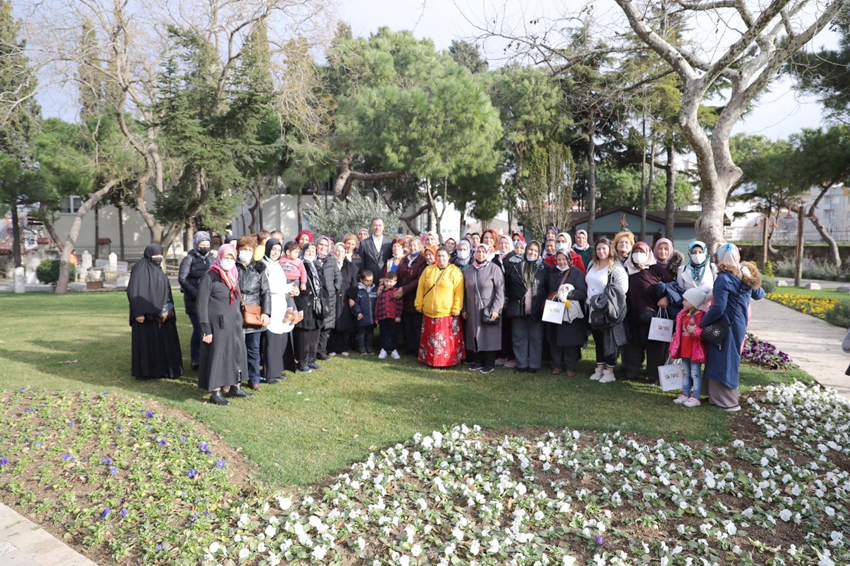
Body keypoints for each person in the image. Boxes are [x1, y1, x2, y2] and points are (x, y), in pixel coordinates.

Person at [701, 244, 764, 412]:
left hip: (725, 323)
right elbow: (760, 294)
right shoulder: (744, 274)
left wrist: (703, 321)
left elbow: (718, 307)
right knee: (730, 357)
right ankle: (716, 396)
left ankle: (727, 401)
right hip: (740, 323)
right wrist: (750, 276)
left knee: (722, 358)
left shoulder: (723, 278)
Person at [196, 243, 252, 405]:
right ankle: (215, 391)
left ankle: (235, 386)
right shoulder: (210, 276)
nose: (229, 260)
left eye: (231, 258)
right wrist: (205, 329)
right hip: (217, 324)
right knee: (218, 357)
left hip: (233, 324)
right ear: (220, 257)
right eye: (226, 257)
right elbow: (201, 304)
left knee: (236, 354)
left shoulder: (233, 274)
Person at [127, 244, 183, 380]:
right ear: (148, 255)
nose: (158, 258)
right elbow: (135, 291)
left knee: (165, 342)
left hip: (161, 314)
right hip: (145, 316)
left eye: (160, 255)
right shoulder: (140, 269)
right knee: (148, 344)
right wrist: (138, 313)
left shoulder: (157, 269)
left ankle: (166, 370)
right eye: (155, 255)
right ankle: (148, 373)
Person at [622, 241, 672, 383]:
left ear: (648, 253)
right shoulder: (627, 268)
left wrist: (665, 298)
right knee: (633, 345)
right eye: (636, 251)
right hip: (632, 314)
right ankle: (632, 372)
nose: (638, 255)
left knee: (655, 347)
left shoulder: (656, 269)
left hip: (653, 315)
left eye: (642, 251)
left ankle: (653, 376)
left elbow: (671, 286)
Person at [585, 237, 629, 383]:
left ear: (610, 249)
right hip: (593, 310)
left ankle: (609, 371)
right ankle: (599, 368)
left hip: (608, 310)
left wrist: (604, 302)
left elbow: (622, 290)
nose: (601, 251)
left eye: (604, 248)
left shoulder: (616, 268)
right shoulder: (592, 264)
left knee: (609, 341)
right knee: (598, 340)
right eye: (598, 248)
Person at [504, 240, 549, 373]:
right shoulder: (515, 267)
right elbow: (507, 285)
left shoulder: (543, 268)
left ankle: (534, 365)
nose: (532, 253)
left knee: (536, 337)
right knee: (519, 336)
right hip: (517, 308)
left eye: (536, 251)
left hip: (536, 308)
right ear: (526, 250)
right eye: (530, 250)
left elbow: (547, 287)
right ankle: (521, 364)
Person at [415, 247, 465, 368]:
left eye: (443, 256)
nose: (441, 258)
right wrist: (419, 303)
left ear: (448, 257)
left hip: (446, 312)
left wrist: (456, 308)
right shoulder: (428, 270)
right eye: (439, 256)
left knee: (445, 340)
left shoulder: (455, 271)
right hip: (429, 311)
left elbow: (459, 291)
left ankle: (448, 361)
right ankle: (428, 360)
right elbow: (421, 287)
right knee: (430, 338)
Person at [235, 236, 271, 391]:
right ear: (238, 250)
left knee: (254, 349)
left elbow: (266, 292)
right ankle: (235, 379)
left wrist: (267, 312)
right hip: (236, 313)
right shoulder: (232, 267)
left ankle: (254, 378)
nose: (247, 252)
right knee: (236, 349)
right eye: (244, 249)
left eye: (250, 250)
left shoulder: (259, 268)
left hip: (254, 312)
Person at [463, 244, 505, 374]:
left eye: (483, 251)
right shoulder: (469, 270)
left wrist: (496, 308)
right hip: (472, 308)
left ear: (487, 253)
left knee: (488, 336)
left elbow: (500, 290)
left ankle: (489, 363)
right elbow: (463, 291)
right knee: (474, 335)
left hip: (488, 309)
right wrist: (464, 308)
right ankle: (478, 361)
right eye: (478, 251)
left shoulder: (494, 269)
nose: (480, 254)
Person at [261, 238, 298, 384]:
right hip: (271, 305)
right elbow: (269, 287)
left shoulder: (277, 265)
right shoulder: (263, 265)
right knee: (272, 341)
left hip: (281, 305)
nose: (275, 252)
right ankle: (268, 373)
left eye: (278, 250)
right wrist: (288, 288)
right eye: (273, 249)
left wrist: (291, 288)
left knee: (281, 339)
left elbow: (282, 284)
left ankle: (278, 370)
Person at [545, 250, 587, 376]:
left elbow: (582, 291)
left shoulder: (576, 273)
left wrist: (566, 295)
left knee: (570, 341)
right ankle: (557, 365)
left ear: (569, 259)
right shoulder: (551, 272)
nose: (561, 262)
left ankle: (570, 366)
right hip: (553, 309)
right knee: (554, 339)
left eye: (564, 259)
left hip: (570, 312)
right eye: (559, 259)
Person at [179, 231, 213, 370]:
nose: (205, 247)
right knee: (198, 329)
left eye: (207, 244)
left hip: (210, 301)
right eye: (202, 244)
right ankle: (195, 358)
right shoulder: (189, 259)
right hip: (194, 301)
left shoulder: (211, 259)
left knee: (208, 329)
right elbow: (183, 279)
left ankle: (207, 356)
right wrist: (197, 294)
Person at [669, 288, 708, 407]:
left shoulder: (701, 316)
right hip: (684, 349)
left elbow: (704, 333)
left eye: (686, 300)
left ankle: (695, 396)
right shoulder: (682, 315)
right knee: (686, 372)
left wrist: (695, 330)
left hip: (695, 350)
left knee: (695, 373)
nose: (683, 302)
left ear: (694, 302)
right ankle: (685, 394)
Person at [294, 242, 326, 372]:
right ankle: (302, 362)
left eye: (313, 251)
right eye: (308, 251)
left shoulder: (317, 266)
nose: (311, 253)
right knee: (304, 335)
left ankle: (311, 360)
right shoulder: (299, 265)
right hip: (304, 303)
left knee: (315, 333)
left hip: (316, 304)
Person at [396, 237, 428, 356]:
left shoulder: (422, 260)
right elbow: (399, 275)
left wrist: (404, 289)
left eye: (415, 245)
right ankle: (408, 348)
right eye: (411, 245)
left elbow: (419, 279)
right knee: (407, 324)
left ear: (420, 246)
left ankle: (416, 349)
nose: (413, 248)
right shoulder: (404, 259)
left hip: (415, 296)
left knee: (416, 325)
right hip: (404, 298)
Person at [315, 236, 341, 360]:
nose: (323, 247)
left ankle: (321, 352)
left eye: (326, 245)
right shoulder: (311, 259)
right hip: (315, 297)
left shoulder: (331, 260)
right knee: (316, 325)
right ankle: (312, 352)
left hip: (329, 297)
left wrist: (335, 288)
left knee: (327, 327)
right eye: (321, 244)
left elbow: (338, 277)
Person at [332, 242, 359, 356]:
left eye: (342, 251)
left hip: (345, 296)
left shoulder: (350, 266)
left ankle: (343, 347)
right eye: (338, 251)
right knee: (333, 321)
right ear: (334, 252)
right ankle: (332, 347)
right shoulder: (330, 264)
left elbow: (354, 282)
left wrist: (352, 297)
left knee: (344, 321)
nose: (340, 253)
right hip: (333, 297)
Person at [677, 240, 717, 310]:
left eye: (700, 252)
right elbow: (680, 290)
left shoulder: (712, 268)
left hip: (707, 309)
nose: (697, 255)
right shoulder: (682, 270)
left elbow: (716, 289)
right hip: (689, 311)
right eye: (694, 252)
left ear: (705, 252)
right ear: (690, 253)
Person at [350, 269, 378, 354]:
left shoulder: (374, 289)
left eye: (371, 280)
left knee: (370, 333)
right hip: (361, 317)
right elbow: (355, 303)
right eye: (367, 280)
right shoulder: (358, 290)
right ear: (361, 280)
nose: (369, 282)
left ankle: (369, 347)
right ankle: (361, 348)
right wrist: (358, 312)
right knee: (361, 333)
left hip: (371, 317)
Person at [376, 271, 403, 359]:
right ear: (384, 281)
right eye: (386, 281)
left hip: (393, 316)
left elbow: (400, 304)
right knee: (383, 333)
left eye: (390, 282)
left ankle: (393, 349)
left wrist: (398, 316)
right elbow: (377, 304)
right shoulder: (381, 292)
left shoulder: (396, 292)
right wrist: (376, 317)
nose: (388, 283)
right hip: (382, 316)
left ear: (395, 282)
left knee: (393, 333)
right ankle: (383, 349)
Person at [360, 217, 393, 282]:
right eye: (375, 225)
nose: (377, 228)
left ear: (383, 227)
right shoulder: (364, 243)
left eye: (380, 225)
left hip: (385, 280)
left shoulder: (389, 243)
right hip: (368, 281)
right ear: (372, 227)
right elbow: (361, 263)